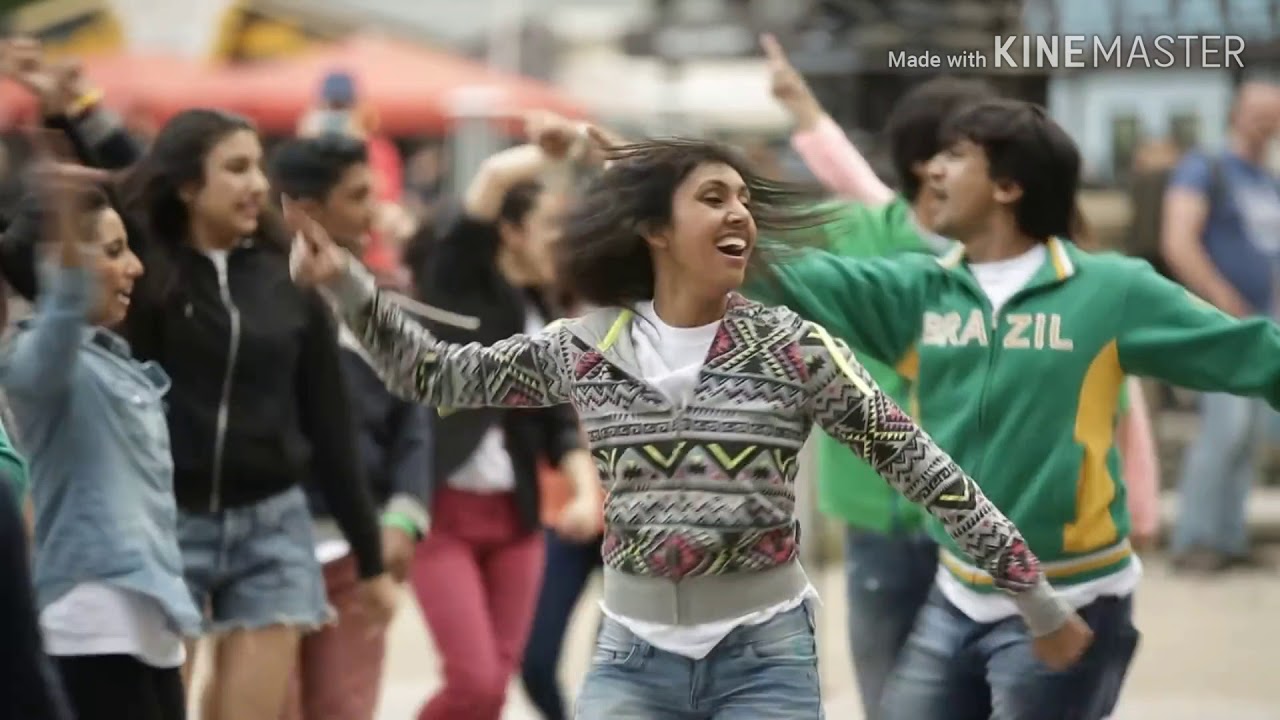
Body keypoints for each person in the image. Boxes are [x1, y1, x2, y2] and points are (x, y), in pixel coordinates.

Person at [289, 133, 1090, 718]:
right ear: (656, 230)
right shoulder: (584, 348)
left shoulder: (797, 350)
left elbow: (929, 473)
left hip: (765, 659)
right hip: (632, 661)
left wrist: (1039, 603)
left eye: (743, 198)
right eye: (714, 197)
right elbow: (436, 375)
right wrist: (347, 287)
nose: (739, 211)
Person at [757, 98, 1280, 719]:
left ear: (1008, 186)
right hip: (956, 595)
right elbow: (788, 276)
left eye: (955, 156)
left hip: (1076, 597)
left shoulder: (1111, 291)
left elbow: (1252, 353)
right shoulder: (921, 291)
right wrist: (672, 214)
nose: (933, 172)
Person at [107, 109, 398, 720]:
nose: (258, 185)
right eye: (235, 168)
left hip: (271, 527)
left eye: (258, 168)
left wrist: (371, 559)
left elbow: (329, 423)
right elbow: (110, 177)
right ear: (188, 185)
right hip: (163, 522)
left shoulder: (289, 278)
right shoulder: (143, 271)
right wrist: (76, 110)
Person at [763, 33, 992, 717]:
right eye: (986, 150)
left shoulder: (1011, 255)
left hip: (985, 514)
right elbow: (727, 243)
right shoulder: (849, 232)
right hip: (877, 515)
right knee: (890, 698)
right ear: (933, 166)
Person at [397, 133, 599, 720]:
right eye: (548, 227)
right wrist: (558, 150)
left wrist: (585, 493)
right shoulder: (458, 283)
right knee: (475, 684)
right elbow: (487, 184)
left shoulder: (545, 310)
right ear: (510, 232)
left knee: (495, 689)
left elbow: (559, 422)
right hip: (445, 515)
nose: (559, 242)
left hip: (517, 517)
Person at [0, 161, 199, 720]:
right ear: (59, 263)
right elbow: (55, 336)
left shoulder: (113, 364)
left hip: (151, 627)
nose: (133, 266)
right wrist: (65, 274)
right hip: (89, 630)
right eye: (112, 252)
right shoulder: (35, 363)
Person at [270, 135, 434, 720]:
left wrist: (404, 514)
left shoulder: (384, 299)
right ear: (306, 209)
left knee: (345, 707)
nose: (373, 211)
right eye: (358, 195)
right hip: (269, 544)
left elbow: (415, 415)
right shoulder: (257, 300)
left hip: (358, 548)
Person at [1162, 81, 1280, 572]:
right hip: (1222, 322)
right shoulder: (1204, 168)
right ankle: (1197, 540)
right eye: (1256, 111)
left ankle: (1228, 539)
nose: (1264, 121)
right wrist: (1224, 301)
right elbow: (1179, 241)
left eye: (1272, 114)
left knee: (1251, 432)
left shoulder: (1268, 180)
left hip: (1261, 324)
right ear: (1235, 113)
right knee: (1224, 428)